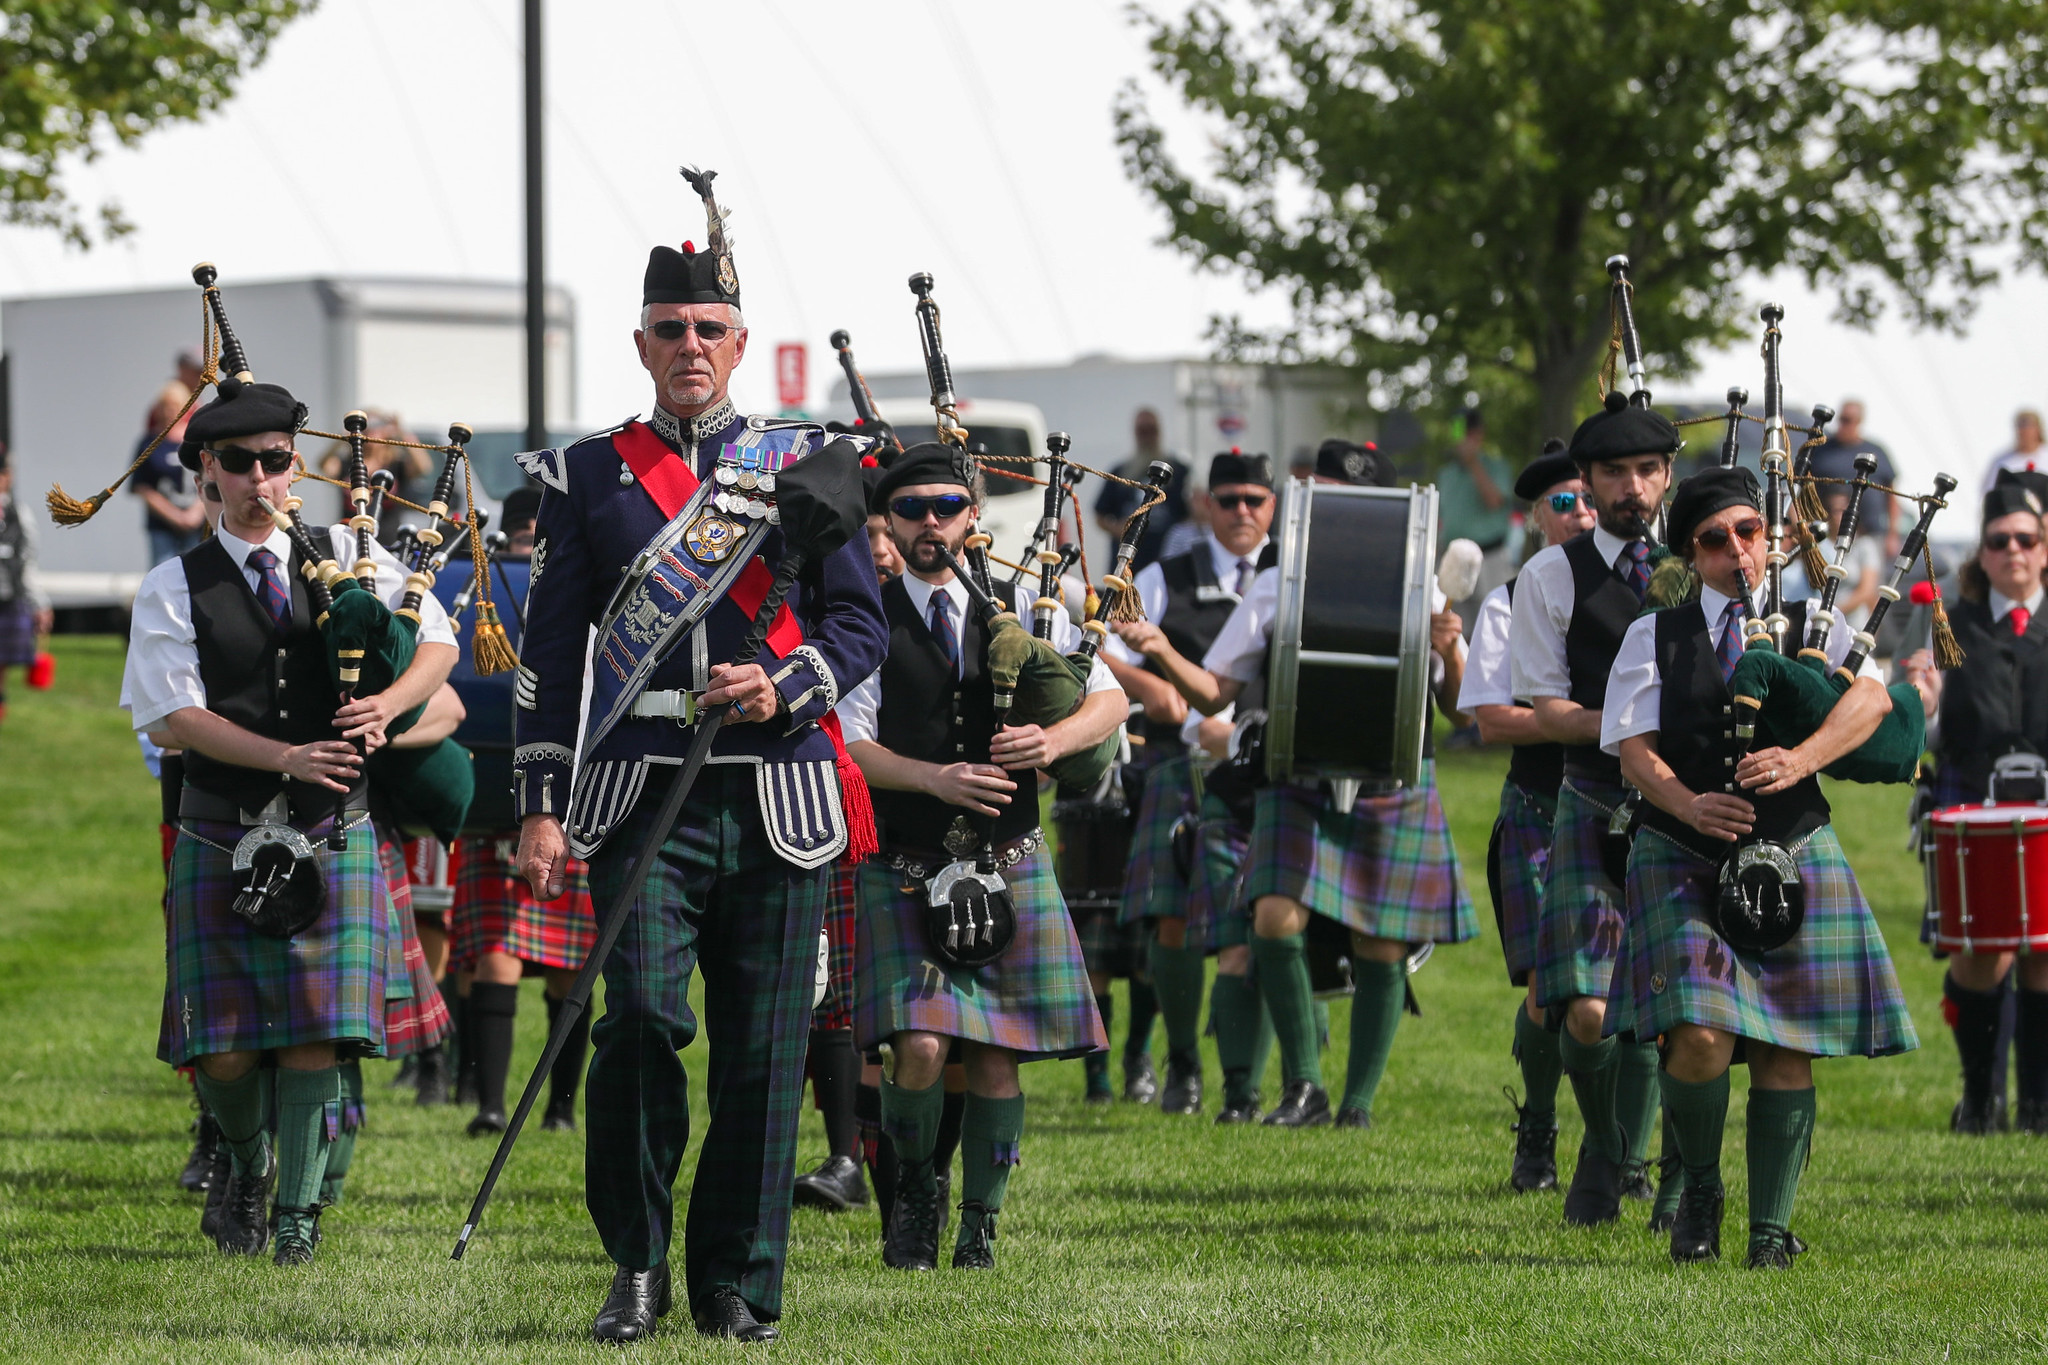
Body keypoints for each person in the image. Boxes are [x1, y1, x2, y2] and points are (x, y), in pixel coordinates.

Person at [511, 170, 888, 1344]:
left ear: (738, 342)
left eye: (710, 330)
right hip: (635, 804)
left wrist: (782, 681)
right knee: (634, 1027)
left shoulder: (810, 459)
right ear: (640, 341)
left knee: (767, 1053)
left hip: (775, 794)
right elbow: (547, 656)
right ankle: (635, 1263)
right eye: (669, 329)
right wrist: (536, 803)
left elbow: (857, 626)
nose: (690, 345)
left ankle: (736, 1279)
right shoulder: (587, 474)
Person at [120, 373, 459, 1266]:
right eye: (242, 463)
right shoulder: (172, 584)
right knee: (225, 1051)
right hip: (219, 826)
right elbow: (171, 717)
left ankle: (300, 1219)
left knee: (315, 1030)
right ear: (208, 474)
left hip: (330, 825)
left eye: (278, 461)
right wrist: (286, 757)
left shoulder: (351, 559)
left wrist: (388, 705)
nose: (263, 479)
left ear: (295, 468)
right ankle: (243, 1160)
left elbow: (441, 641)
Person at [1603, 466, 1916, 1267]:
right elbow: (1633, 748)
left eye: (1750, 532)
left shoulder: (1814, 622)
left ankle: (1770, 1232)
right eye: (1716, 538)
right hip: (1683, 850)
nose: (1736, 551)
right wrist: (1690, 806)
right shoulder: (1657, 635)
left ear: (1772, 540)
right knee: (1701, 1036)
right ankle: (1699, 1188)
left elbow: (1872, 705)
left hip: (1796, 846)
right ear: (1692, 551)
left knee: (1787, 1045)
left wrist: (1802, 755)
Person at [1136, 438, 1476, 1129]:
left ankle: (1357, 1104)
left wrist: (1449, 645)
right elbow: (1215, 693)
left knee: (1381, 938)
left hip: (1389, 771)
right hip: (1297, 768)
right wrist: (1160, 647)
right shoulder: (1276, 581)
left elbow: (1457, 709)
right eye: (1316, 497)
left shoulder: (1423, 584)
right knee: (1271, 917)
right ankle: (1304, 1086)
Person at [842, 443, 1122, 1271]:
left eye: (946, 507)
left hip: (1009, 857)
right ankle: (915, 1199)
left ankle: (980, 1225)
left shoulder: (1026, 609)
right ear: (887, 524)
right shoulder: (867, 616)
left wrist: (1051, 737)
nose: (931, 522)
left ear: (972, 518)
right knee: (921, 1047)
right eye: (912, 510)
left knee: (998, 1052)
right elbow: (850, 743)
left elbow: (1111, 698)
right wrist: (931, 776)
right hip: (905, 860)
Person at [1506, 389, 1676, 1224]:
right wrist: (1638, 733)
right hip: (1596, 796)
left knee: (1666, 993)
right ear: (1587, 480)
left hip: (1689, 807)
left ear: (1668, 474)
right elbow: (1544, 708)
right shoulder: (1550, 575)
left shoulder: (1703, 557)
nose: (1633, 487)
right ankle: (1607, 1144)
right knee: (1587, 1006)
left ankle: (1625, 1162)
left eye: (1647, 470)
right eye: (1615, 472)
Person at [1107, 450, 1277, 1116]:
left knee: (1257, 919)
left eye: (1254, 500)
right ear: (1205, 503)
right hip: (1181, 766)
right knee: (1172, 920)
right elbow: (1105, 651)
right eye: (1228, 499)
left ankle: (1249, 1079)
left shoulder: (1290, 575)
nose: (1241, 511)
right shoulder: (1166, 572)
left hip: (1261, 767)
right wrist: (1160, 691)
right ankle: (1181, 1064)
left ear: (1271, 507)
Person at [436, 486, 599, 1136]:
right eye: (524, 537)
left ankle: (560, 1107)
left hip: (577, 799)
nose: (532, 548)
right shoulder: (484, 597)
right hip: (495, 802)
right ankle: (491, 1103)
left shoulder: (590, 584)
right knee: (496, 955)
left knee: (569, 969)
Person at [1461, 439, 1594, 1192]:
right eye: (1565, 502)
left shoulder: (1644, 592)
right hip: (1543, 808)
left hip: (1627, 807)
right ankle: (1539, 1131)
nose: (1582, 513)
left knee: (1623, 992)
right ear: (1536, 517)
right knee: (1553, 987)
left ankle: (1621, 1154)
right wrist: (1592, 723)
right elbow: (1490, 717)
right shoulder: (1509, 599)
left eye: (1590, 498)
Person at [1899, 468, 2048, 1135]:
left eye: (2026, 538)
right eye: (1999, 541)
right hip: (1971, 802)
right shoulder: (1945, 623)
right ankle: (1980, 1099)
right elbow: (1923, 710)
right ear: (1981, 553)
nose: (2013, 551)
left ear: (2045, 545)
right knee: (1980, 954)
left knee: (2045, 953)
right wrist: (1919, 695)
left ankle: (2041, 1104)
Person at [1436, 407, 1518, 624]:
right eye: (1456, 434)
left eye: (1466, 434)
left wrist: (1473, 462)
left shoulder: (1496, 466)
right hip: (1454, 557)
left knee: (1496, 620)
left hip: (1490, 557)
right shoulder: (1447, 473)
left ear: (1478, 435)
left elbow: (1493, 501)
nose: (1460, 440)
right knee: (1454, 623)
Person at [1093, 408, 1192, 570]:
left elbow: (1189, 513)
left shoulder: (1179, 471)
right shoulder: (1121, 471)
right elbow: (1100, 514)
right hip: (1128, 561)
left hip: (1167, 557)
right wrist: (1118, 529)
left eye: (1151, 430)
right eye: (1142, 431)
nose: (1147, 436)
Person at [0, 449, 53, 725]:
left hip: (10, 593)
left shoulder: (17, 514)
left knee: (3, 656)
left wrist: (39, 603)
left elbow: (27, 560)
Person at [1807, 400, 1899, 555]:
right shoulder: (1823, 451)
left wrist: (1892, 533)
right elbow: (1805, 489)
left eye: (1847, 420)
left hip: (1869, 534)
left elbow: (1891, 496)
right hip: (1828, 534)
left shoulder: (1875, 451)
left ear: (1859, 421)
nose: (1843, 424)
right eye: (1841, 419)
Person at [133, 382, 208, 565]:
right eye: (165, 407)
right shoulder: (148, 443)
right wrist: (174, 515)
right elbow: (142, 486)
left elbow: (211, 477)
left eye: (175, 406)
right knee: (162, 572)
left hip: (197, 525)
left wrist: (196, 513)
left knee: (197, 572)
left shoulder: (197, 441)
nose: (169, 412)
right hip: (162, 527)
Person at [1981, 409, 2047, 494]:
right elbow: (1988, 492)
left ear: (2038, 429)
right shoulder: (2003, 461)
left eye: (2029, 426)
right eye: (2021, 426)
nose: (2025, 431)